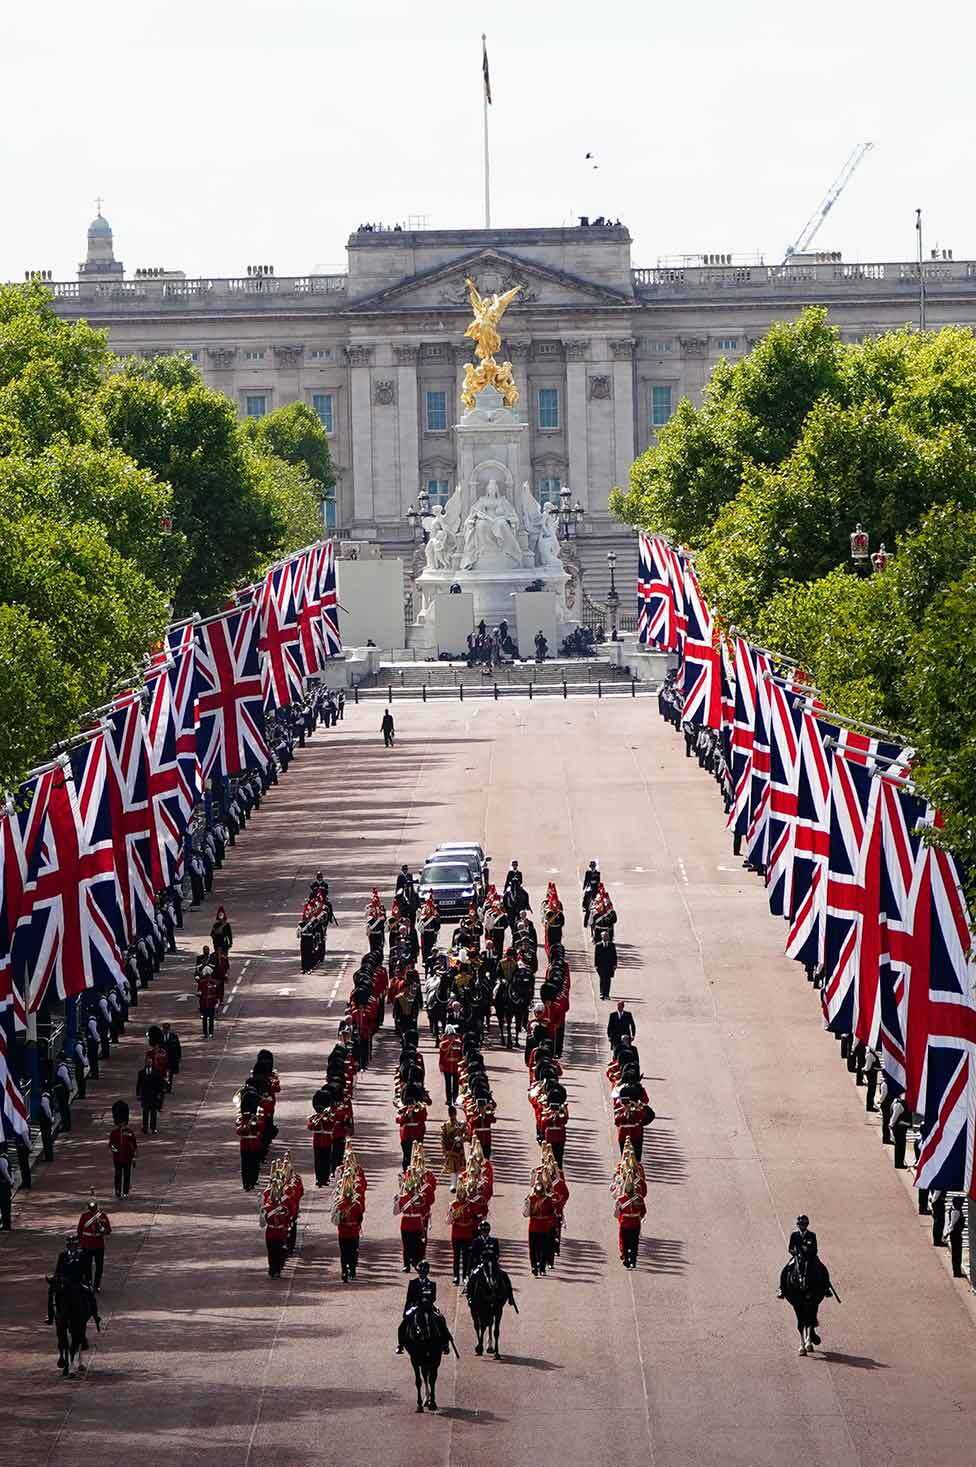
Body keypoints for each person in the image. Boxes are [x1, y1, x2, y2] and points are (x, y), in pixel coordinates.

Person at [395, 1258, 439, 1353]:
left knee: (441, 1321)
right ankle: (400, 1344)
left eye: (424, 1272)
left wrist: (427, 1301)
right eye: (421, 1272)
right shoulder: (413, 1283)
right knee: (402, 1326)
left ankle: (444, 1344)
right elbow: (409, 1298)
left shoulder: (432, 1284)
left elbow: (433, 1298)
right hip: (416, 1307)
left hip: (427, 1307)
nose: (422, 1274)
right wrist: (406, 1311)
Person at [77, 1191, 111, 1290]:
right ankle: (88, 1283)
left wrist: (102, 1230)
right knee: (87, 1265)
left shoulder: (102, 1216)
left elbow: (108, 1230)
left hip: (99, 1244)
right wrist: (80, 1242)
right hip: (87, 1244)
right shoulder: (84, 1216)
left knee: (99, 1266)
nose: (92, 1208)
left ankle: (97, 1285)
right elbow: (80, 1230)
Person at [109, 1101, 137, 1198]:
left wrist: (134, 1157)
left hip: (127, 1157)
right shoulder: (114, 1133)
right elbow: (111, 1144)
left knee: (126, 1176)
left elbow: (134, 1146)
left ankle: (125, 1191)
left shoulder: (129, 1133)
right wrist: (114, 1150)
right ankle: (117, 1190)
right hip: (117, 1158)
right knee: (118, 1175)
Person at [441, 1106, 467, 1193]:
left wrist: (461, 1139)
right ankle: (453, 1184)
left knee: (460, 1167)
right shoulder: (445, 1126)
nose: (452, 1116)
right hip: (450, 1149)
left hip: (459, 1149)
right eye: (451, 1114)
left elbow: (468, 1136)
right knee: (453, 1168)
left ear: (455, 1114)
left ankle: (461, 1185)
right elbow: (443, 1139)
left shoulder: (461, 1125)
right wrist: (444, 1150)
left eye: (453, 1114)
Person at [196, 947, 221, 1038]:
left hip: (211, 1003)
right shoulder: (202, 983)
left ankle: (211, 1033)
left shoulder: (213, 983)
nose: (207, 977)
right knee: (204, 1020)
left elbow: (217, 993)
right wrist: (199, 995)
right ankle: (205, 1034)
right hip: (204, 1003)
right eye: (206, 976)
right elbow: (199, 992)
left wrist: (217, 1002)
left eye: (208, 975)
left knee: (211, 1019)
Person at [136, 1058, 165, 1135]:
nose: (149, 1063)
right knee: (145, 1112)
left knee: (153, 1113)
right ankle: (145, 1128)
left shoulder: (156, 1072)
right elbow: (139, 1084)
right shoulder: (141, 1073)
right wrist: (138, 1095)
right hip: (145, 1096)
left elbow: (160, 1084)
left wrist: (159, 1094)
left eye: (150, 1062)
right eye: (148, 1062)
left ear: (152, 1063)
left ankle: (153, 1128)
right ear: (145, 1063)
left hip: (153, 1096)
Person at [594, 929, 618, 1001]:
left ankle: (607, 994)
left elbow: (614, 955)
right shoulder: (598, 945)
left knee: (608, 980)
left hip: (609, 966)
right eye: (604, 936)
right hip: (601, 966)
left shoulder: (611, 945)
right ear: (601, 937)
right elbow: (596, 956)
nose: (606, 937)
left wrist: (615, 964)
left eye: (607, 936)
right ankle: (602, 993)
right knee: (602, 979)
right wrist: (596, 965)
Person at [945, 1196, 966, 1277]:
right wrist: (946, 1234)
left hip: (955, 1234)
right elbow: (952, 1225)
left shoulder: (953, 1208)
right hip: (956, 1235)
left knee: (956, 1253)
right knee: (957, 1253)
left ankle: (956, 1270)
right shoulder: (956, 1211)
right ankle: (957, 1272)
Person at [0, 1146, 12, 1230]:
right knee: (5, 1205)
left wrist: (11, 1181)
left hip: (3, 1185)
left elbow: (5, 1172)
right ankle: (6, 1223)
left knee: (5, 1206)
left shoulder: (2, 1159)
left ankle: (6, 1224)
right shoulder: (4, 1158)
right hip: (3, 1185)